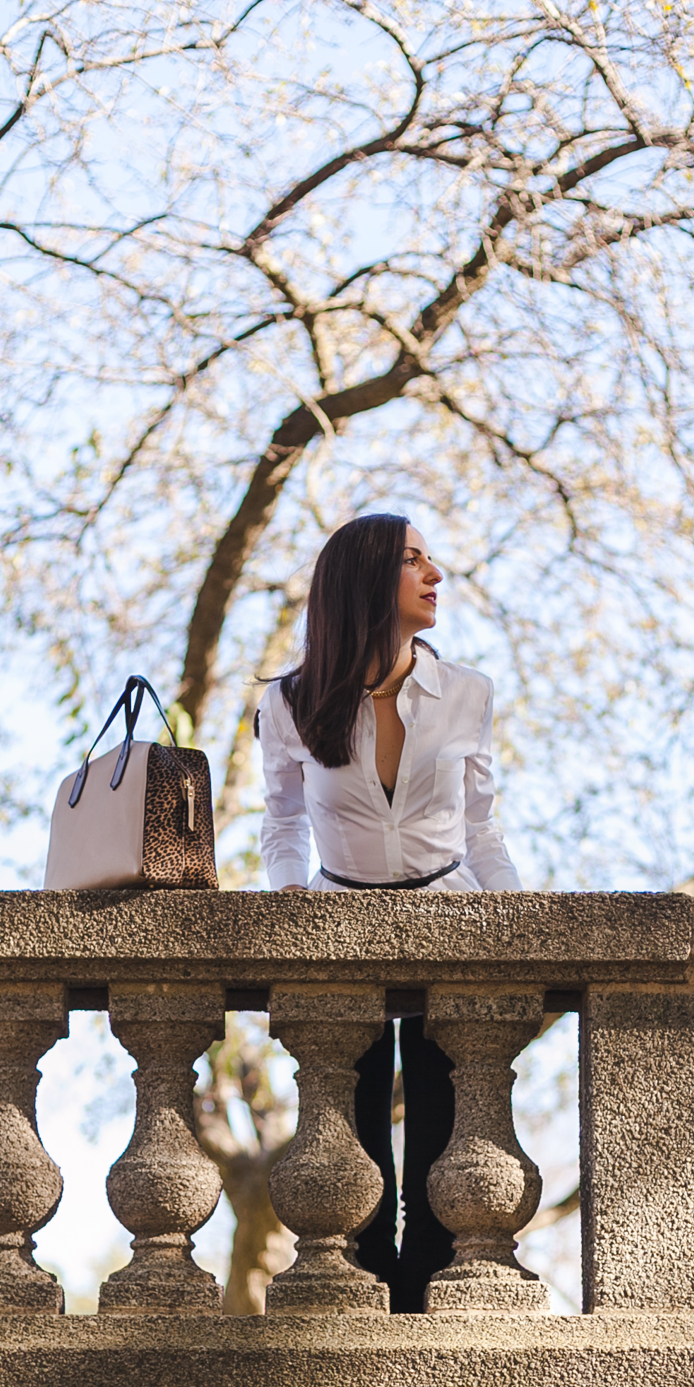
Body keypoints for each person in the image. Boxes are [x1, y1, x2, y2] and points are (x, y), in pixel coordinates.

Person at [257, 512, 522, 1312]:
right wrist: (289, 891)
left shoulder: (466, 692)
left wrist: (516, 922)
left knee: (449, 1114)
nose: (435, 573)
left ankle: (437, 1283)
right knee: (352, 1116)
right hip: (339, 926)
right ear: (366, 582)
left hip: (451, 919)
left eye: (430, 559)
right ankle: (363, 1285)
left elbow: (481, 826)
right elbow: (282, 818)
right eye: (414, 561)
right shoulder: (292, 701)